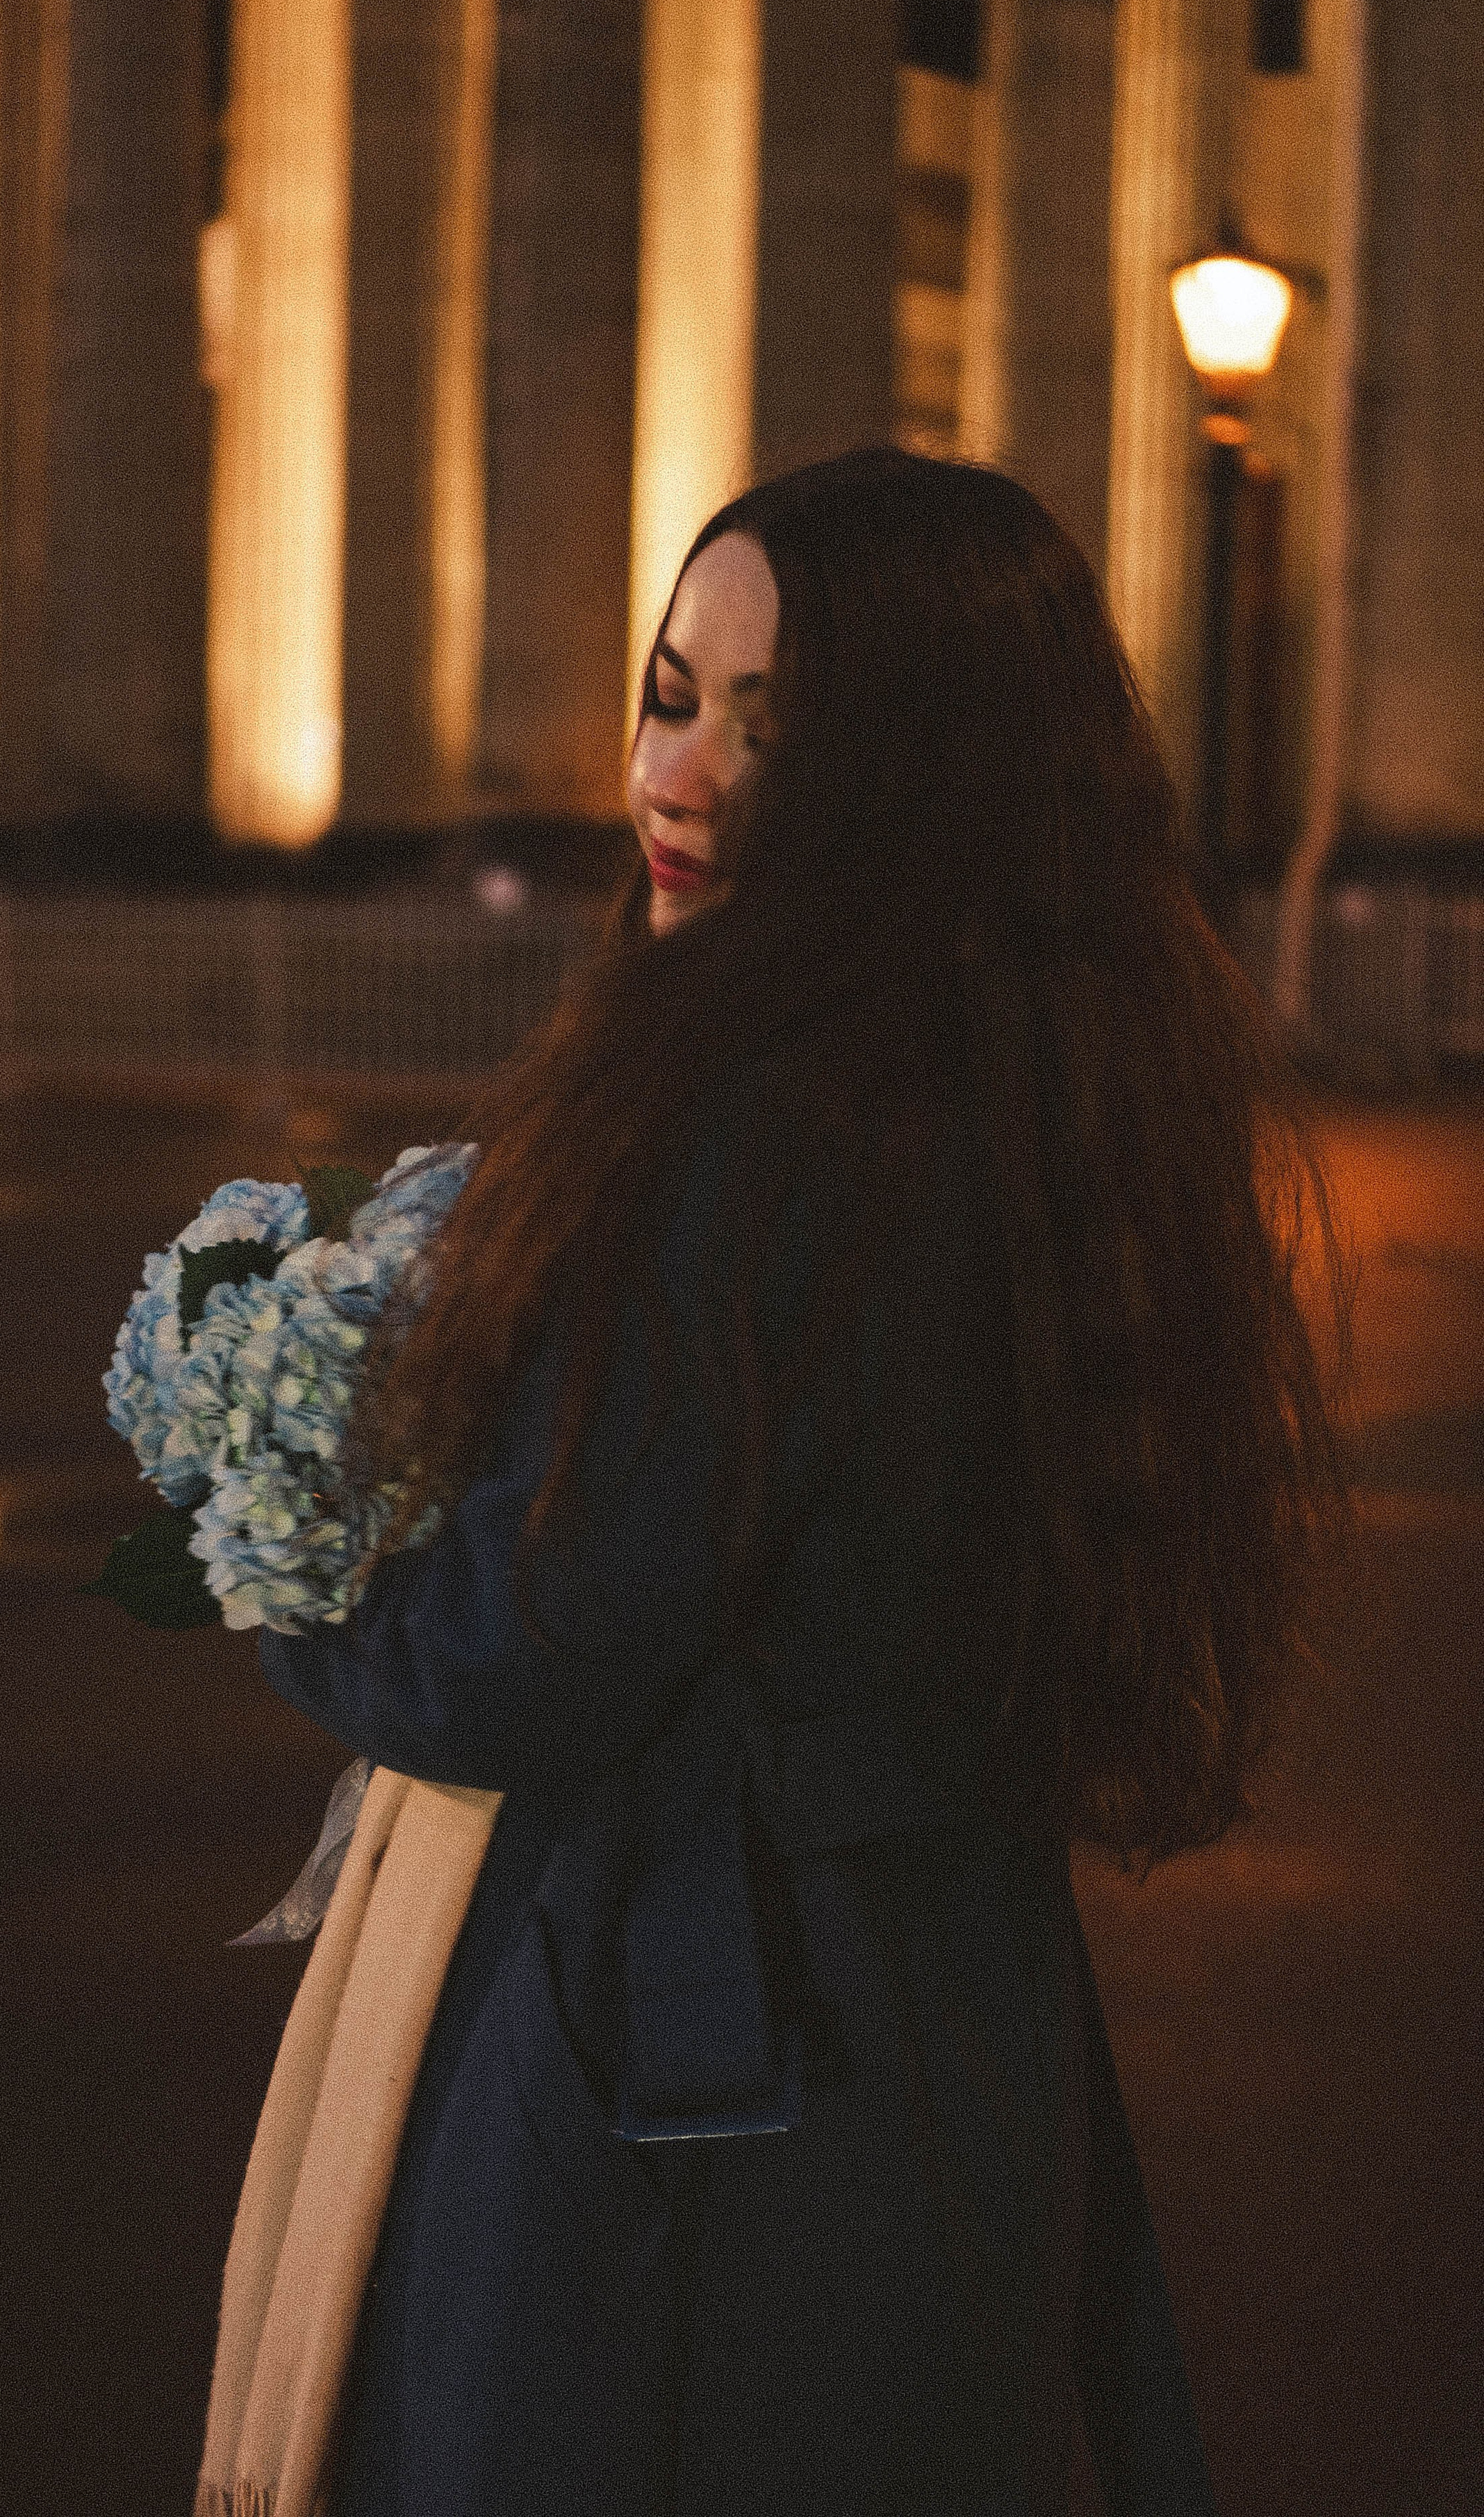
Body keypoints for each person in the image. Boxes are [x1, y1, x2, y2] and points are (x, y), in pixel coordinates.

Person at [253, 446, 1349, 2516]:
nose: (684, 779)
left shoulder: (756, 1133)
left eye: (785, 733)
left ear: (922, 778)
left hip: (695, 2083)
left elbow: (516, 1658)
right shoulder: (1041, 1089)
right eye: (674, 696)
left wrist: (272, 1521)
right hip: (946, 2027)